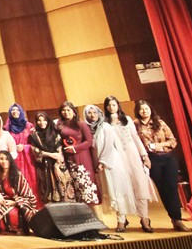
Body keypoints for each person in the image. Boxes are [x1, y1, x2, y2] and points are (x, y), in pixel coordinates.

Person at [134, 100, 189, 232]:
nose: (144, 111)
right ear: (138, 111)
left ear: (150, 109)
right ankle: (173, 217)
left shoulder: (160, 122)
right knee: (163, 190)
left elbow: (172, 141)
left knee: (172, 188)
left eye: (146, 108)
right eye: (141, 109)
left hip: (168, 158)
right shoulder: (135, 125)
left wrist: (160, 145)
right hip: (152, 159)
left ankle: (177, 219)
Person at [85, 104, 141, 232]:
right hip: (100, 166)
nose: (92, 115)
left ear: (99, 113)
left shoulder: (105, 126)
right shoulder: (89, 129)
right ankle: (121, 218)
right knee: (109, 193)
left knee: (118, 191)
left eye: (94, 112)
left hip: (112, 163)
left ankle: (121, 220)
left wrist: (102, 162)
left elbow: (109, 145)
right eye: (89, 113)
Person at [104, 96, 153, 231]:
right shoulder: (105, 123)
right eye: (109, 105)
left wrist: (144, 155)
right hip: (117, 157)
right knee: (120, 187)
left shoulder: (127, 120)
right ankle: (121, 219)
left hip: (132, 155)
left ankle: (144, 218)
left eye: (114, 104)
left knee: (139, 184)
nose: (111, 107)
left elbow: (135, 138)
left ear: (118, 106)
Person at [56, 101, 100, 207]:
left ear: (74, 111)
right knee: (77, 187)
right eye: (63, 110)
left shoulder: (81, 124)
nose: (66, 112)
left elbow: (89, 141)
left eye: (68, 110)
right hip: (69, 159)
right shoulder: (59, 126)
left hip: (83, 157)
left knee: (87, 185)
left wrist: (75, 148)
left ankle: (96, 214)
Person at [26, 111, 76, 203]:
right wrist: (51, 155)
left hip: (59, 165)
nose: (42, 122)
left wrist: (56, 166)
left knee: (64, 190)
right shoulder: (34, 136)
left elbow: (59, 153)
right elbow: (36, 153)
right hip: (44, 167)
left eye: (44, 120)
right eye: (39, 120)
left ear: (48, 120)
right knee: (48, 194)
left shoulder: (55, 133)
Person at [0, 151, 37, 234]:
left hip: (19, 202)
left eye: (6, 159)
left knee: (12, 214)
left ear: (10, 160)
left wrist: (15, 203)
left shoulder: (17, 175)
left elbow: (27, 195)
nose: (4, 161)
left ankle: (17, 228)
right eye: (1, 159)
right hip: (4, 200)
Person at [5, 103, 40, 208]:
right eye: (13, 110)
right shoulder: (7, 128)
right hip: (14, 159)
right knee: (16, 182)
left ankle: (34, 206)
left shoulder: (29, 126)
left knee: (31, 180)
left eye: (17, 110)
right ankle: (20, 207)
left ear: (21, 112)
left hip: (28, 158)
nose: (15, 112)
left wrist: (24, 147)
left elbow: (36, 144)